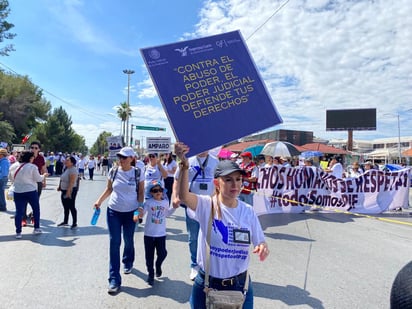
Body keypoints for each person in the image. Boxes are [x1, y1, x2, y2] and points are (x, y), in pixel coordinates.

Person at [174, 142, 269, 309]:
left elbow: (260, 241)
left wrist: (262, 247)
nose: (236, 185)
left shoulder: (248, 211)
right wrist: (184, 164)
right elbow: (183, 195)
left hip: (241, 287)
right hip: (207, 285)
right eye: (228, 180)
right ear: (217, 183)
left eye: (238, 179)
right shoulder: (206, 205)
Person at [93, 146, 145, 294]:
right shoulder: (113, 171)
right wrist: (99, 201)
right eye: (119, 157)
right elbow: (109, 189)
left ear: (131, 159)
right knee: (114, 242)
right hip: (113, 211)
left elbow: (141, 192)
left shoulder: (137, 173)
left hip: (131, 212)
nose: (120, 160)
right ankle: (114, 279)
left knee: (128, 239)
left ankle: (128, 261)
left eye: (124, 157)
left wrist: (139, 208)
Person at [172, 149, 219, 281]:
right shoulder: (188, 160)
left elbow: (220, 182)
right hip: (193, 204)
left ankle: (209, 265)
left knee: (210, 236)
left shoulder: (215, 162)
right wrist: (175, 196)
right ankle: (195, 265)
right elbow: (177, 179)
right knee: (193, 237)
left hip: (210, 205)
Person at [142, 180, 178, 285]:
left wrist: (174, 208)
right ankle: (151, 274)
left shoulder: (165, 202)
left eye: (160, 190)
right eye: (155, 190)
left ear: (163, 192)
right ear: (151, 193)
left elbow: (167, 214)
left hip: (161, 234)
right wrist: (138, 213)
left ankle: (158, 265)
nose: (158, 192)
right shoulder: (148, 202)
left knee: (162, 253)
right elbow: (142, 213)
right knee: (149, 256)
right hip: (149, 234)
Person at [13, 151, 48, 239]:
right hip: (30, 191)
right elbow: (38, 178)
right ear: (30, 158)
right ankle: (36, 228)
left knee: (19, 212)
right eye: (32, 158)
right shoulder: (32, 167)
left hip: (17, 191)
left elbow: (11, 178)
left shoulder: (13, 166)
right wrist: (44, 175)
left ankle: (18, 232)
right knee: (36, 209)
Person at [57, 156, 79, 229]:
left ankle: (74, 223)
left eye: (67, 160)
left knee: (71, 206)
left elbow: (72, 182)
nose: (65, 161)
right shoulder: (66, 168)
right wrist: (60, 186)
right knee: (65, 206)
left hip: (70, 190)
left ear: (72, 163)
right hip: (64, 190)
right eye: (66, 160)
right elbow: (62, 178)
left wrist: (68, 192)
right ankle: (65, 221)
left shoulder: (73, 170)